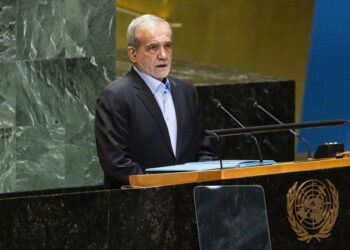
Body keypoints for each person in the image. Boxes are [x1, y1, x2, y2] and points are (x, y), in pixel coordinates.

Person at [94, 14, 215, 188]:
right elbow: (116, 163)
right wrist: (161, 189)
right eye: (153, 48)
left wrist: (201, 181)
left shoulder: (187, 92)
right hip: (140, 205)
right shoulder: (115, 97)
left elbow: (204, 150)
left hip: (189, 201)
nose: (163, 55)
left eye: (168, 46)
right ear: (133, 54)